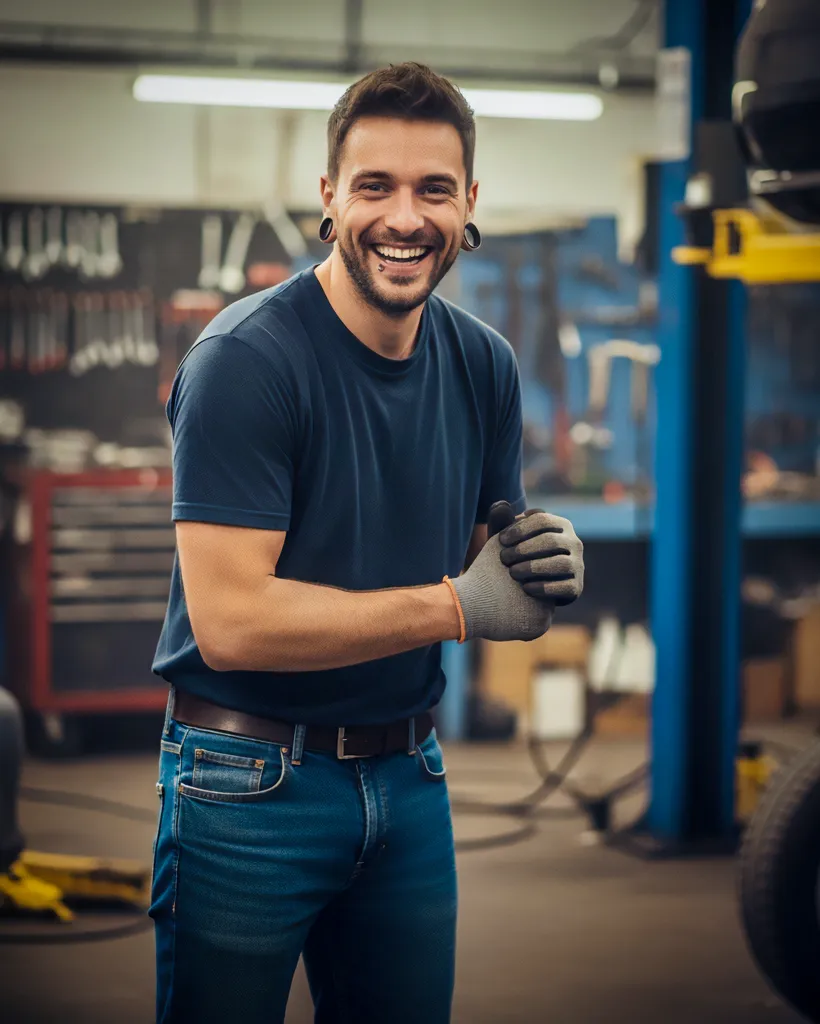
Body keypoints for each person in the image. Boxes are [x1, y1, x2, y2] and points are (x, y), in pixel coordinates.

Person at [149, 62, 585, 1024]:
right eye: (374, 186)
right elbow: (231, 623)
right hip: (247, 785)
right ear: (329, 199)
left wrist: (541, 553)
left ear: (469, 202)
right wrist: (458, 608)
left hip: (410, 778)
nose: (404, 217)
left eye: (433, 188)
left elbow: (490, 555)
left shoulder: (484, 363)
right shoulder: (246, 364)